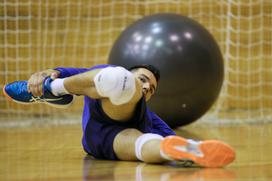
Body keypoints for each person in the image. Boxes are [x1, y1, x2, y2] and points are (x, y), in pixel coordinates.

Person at [3, 64, 235, 167]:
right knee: (116, 78)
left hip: (103, 143)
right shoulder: (108, 72)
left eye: (151, 89)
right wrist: (46, 75)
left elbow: (170, 137)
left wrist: (187, 150)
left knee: (149, 144)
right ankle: (53, 89)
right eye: (143, 80)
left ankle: (189, 151)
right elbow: (58, 71)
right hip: (100, 127)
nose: (146, 88)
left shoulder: (149, 117)